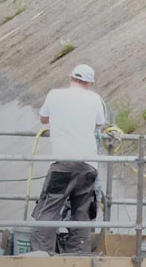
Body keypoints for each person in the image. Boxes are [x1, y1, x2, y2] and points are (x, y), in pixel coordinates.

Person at [33, 64, 106, 254]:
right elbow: (100, 124)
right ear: (89, 83)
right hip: (88, 165)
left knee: (49, 210)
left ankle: (41, 255)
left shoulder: (55, 95)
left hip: (62, 165)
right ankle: (79, 256)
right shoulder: (95, 98)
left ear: (71, 78)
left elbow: (43, 118)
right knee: (82, 213)